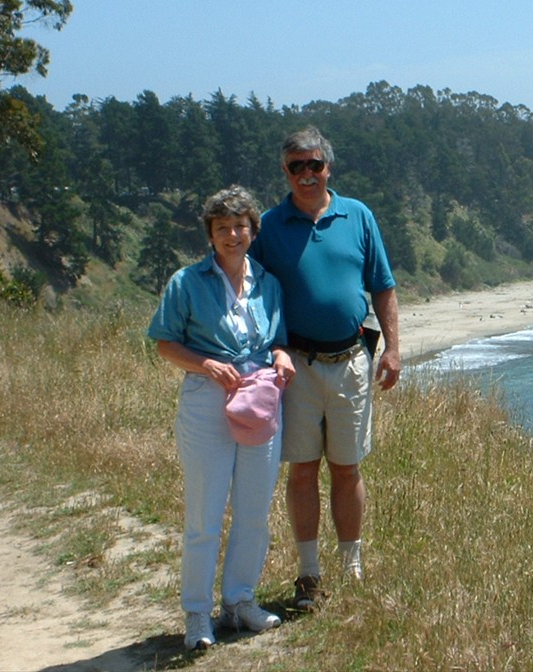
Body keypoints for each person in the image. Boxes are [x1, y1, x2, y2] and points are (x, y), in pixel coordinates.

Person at [249, 126, 400, 612]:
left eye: (315, 164)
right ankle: (309, 572)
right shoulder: (270, 226)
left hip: (353, 360)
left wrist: (393, 349)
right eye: (297, 166)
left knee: (348, 467)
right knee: (302, 470)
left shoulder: (357, 216)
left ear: (328, 166)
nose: (307, 174)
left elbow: (383, 286)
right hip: (296, 365)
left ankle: (351, 566)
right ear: (285, 171)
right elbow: (247, 289)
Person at [148, 185, 296, 651]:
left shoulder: (268, 283)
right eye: (222, 228)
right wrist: (205, 364)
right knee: (205, 515)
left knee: (254, 511)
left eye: (240, 226)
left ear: (253, 229)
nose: (233, 235)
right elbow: (164, 342)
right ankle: (197, 615)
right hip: (206, 403)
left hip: (260, 401)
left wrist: (282, 355)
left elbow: (277, 339)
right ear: (210, 235)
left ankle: (239, 603)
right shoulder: (187, 283)